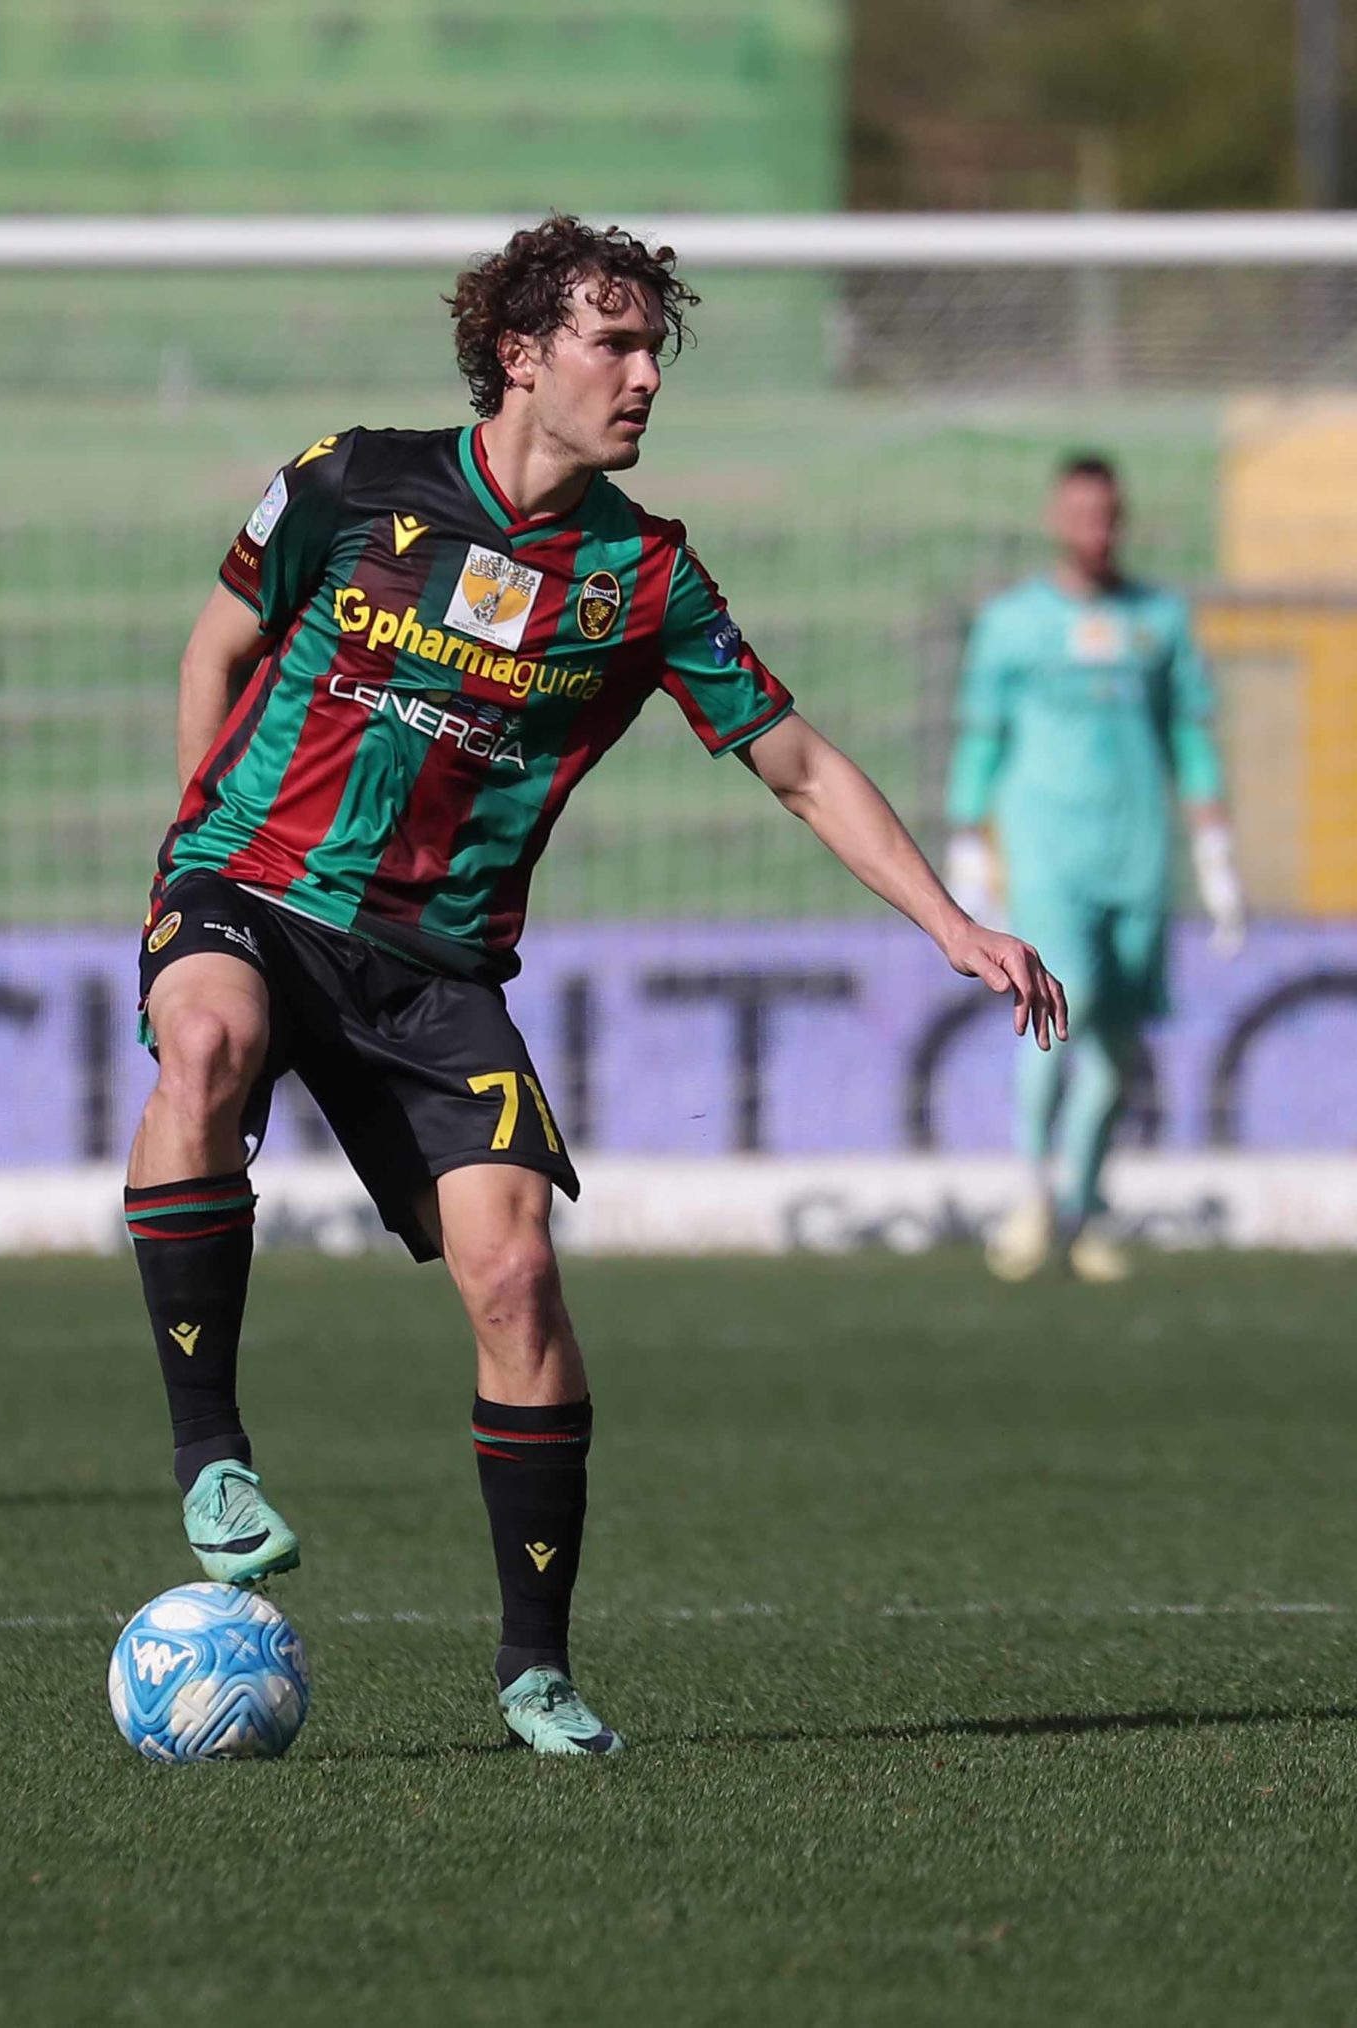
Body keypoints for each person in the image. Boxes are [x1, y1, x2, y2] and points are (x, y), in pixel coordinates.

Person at [123, 215, 1066, 1753]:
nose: (643, 377)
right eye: (613, 344)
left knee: (515, 1276)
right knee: (207, 1041)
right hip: (255, 890)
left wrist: (951, 923)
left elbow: (798, 763)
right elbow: (214, 649)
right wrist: (191, 862)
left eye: (652, 350)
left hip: (434, 968)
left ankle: (535, 1673)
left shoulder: (644, 574)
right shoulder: (350, 480)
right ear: (521, 355)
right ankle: (212, 1456)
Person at [944, 455, 1241, 1285]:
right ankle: (1032, 1194)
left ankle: (1086, 1201)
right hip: (1048, 855)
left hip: (1137, 857)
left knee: (1116, 1040)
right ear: (1055, 519)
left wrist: (1215, 851)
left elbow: (1189, 736)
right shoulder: (1013, 624)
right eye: (1080, 515)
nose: (1095, 531)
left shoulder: (1160, 620)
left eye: (1107, 516)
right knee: (1053, 1014)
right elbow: (983, 737)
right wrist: (968, 841)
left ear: (1122, 519)